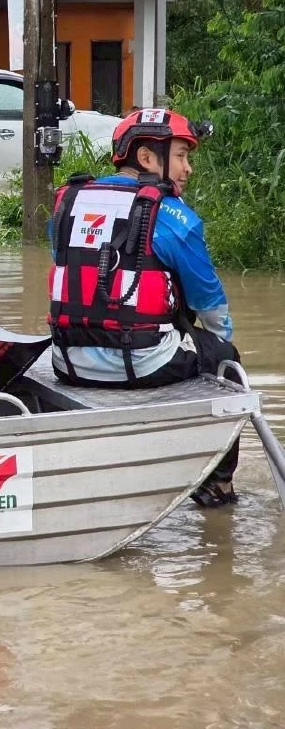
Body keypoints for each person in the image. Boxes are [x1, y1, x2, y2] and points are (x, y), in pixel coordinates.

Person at [47, 107, 238, 506]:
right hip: (143, 362)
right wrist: (212, 347)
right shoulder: (173, 216)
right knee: (226, 358)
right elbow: (211, 306)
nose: (188, 169)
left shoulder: (68, 201)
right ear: (148, 158)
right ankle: (217, 487)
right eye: (182, 156)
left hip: (65, 363)